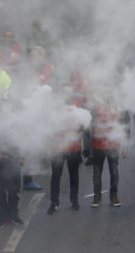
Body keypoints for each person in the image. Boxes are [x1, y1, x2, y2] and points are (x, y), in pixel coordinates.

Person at [48, 84, 85, 214]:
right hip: (57, 147)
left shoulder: (78, 106)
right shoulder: (53, 108)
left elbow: (84, 125)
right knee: (56, 176)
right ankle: (54, 203)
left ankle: (74, 201)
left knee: (74, 174)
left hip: (73, 147)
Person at [90, 95, 129, 207]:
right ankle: (97, 197)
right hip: (98, 145)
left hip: (113, 145)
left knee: (114, 172)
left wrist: (125, 146)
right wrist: (89, 148)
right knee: (97, 173)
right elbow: (89, 125)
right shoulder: (95, 106)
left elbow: (125, 126)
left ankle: (114, 195)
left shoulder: (119, 106)